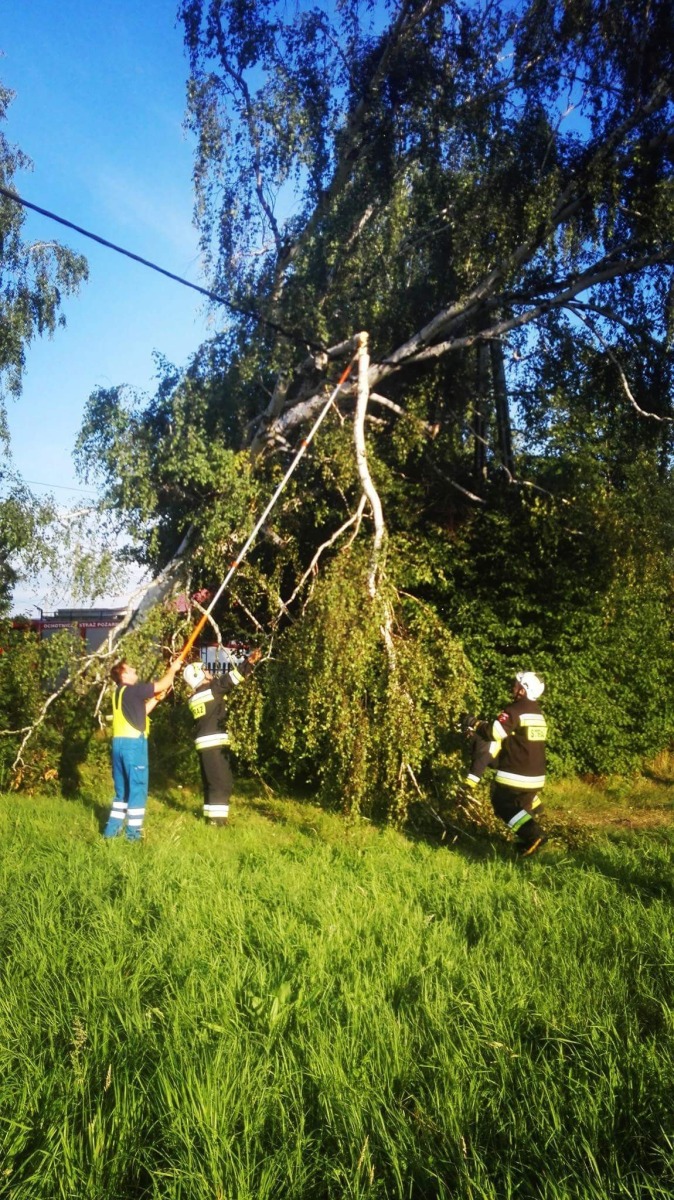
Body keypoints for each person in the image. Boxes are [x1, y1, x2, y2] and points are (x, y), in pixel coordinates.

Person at [461, 671, 548, 857]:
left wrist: (474, 723)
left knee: (501, 802)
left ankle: (534, 835)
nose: (513, 687)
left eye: (516, 684)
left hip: (517, 773)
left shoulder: (515, 709)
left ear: (523, 690)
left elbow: (494, 732)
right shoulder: (537, 712)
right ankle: (527, 845)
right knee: (521, 808)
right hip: (537, 776)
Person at [103, 656, 182, 841]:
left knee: (122, 792)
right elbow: (163, 684)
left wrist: (155, 700)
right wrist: (173, 669)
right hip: (133, 746)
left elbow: (141, 712)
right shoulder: (133, 690)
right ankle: (133, 836)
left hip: (118, 746)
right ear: (123, 675)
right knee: (137, 788)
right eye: (130, 669)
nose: (134, 670)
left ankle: (111, 834)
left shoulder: (120, 693)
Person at [182, 648, 262, 825]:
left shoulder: (193, 698)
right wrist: (249, 662)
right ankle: (217, 822)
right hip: (214, 744)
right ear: (198, 675)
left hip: (203, 745)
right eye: (205, 669)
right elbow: (232, 678)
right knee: (222, 783)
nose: (208, 671)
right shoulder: (212, 690)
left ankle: (210, 818)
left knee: (211, 782)